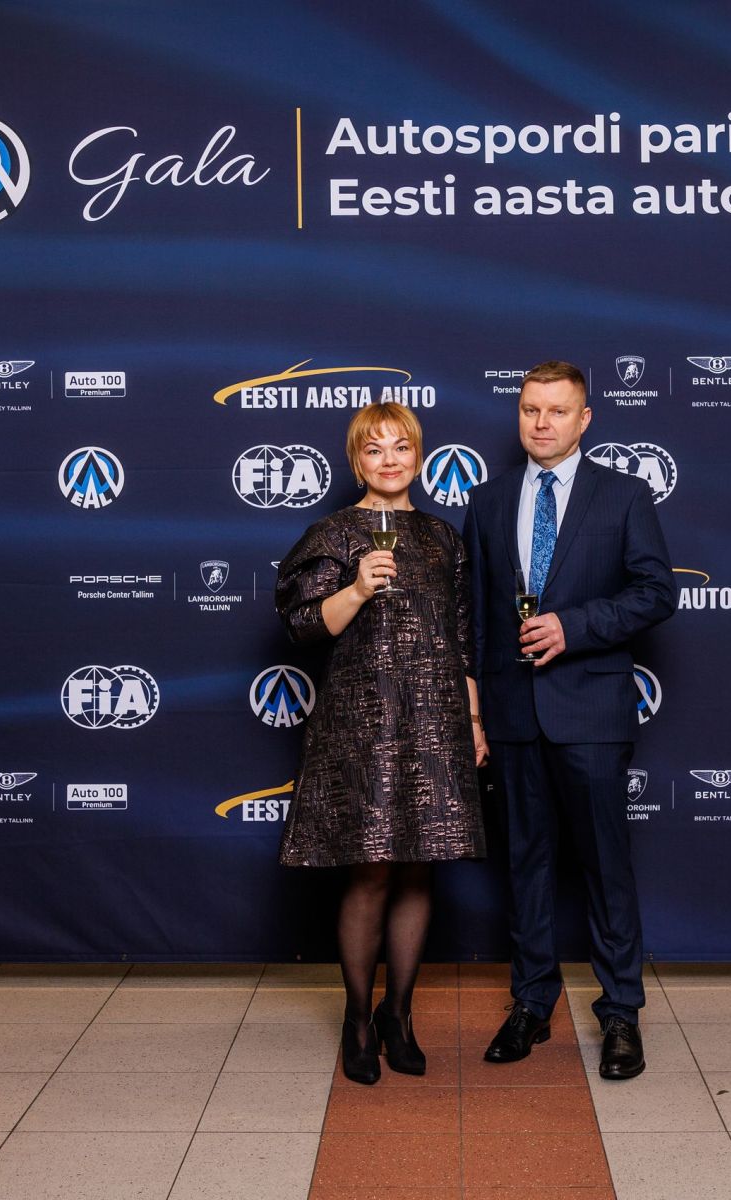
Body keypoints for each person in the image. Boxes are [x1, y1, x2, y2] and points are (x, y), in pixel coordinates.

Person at [463, 360, 676, 1081]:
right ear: (518, 414)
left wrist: (573, 626)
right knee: (525, 865)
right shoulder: (488, 500)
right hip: (513, 713)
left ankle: (621, 1013)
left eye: (557, 410)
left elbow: (657, 591)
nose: (542, 422)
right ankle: (531, 1002)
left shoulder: (624, 495)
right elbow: (477, 617)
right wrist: (477, 713)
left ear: (585, 419)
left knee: (605, 865)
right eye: (531, 409)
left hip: (591, 709)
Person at [276, 401, 488, 1085]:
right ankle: (357, 1020)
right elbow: (303, 626)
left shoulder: (442, 537)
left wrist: (473, 722)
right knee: (370, 869)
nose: (389, 459)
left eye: (401, 447)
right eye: (375, 449)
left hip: (434, 721)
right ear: (356, 460)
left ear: (419, 457)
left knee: (420, 867)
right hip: (361, 725)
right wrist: (358, 589)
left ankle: (399, 1014)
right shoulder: (334, 533)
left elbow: (462, 639)